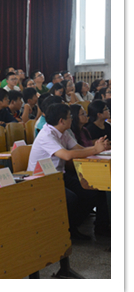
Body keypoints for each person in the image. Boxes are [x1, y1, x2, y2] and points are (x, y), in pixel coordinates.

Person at [27, 102, 109, 239]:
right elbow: (66, 155)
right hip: (42, 178)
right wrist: (95, 149)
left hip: (59, 175)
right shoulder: (46, 135)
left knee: (93, 191)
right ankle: (68, 231)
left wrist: (98, 148)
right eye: (70, 116)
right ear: (62, 121)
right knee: (71, 199)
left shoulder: (63, 132)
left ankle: (94, 228)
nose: (72, 119)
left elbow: (78, 149)